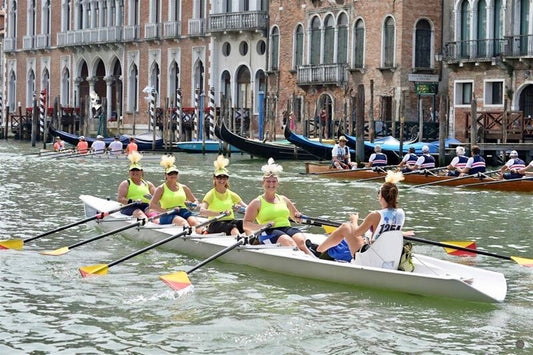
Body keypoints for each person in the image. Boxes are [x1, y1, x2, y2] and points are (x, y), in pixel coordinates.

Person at [313, 170, 405, 262]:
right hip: (389, 256)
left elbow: (356, 233)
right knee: (361, 238)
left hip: (371, 258)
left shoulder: (375, 215)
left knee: (346, 227)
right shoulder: (401, 213)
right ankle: (321, 249)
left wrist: (354, 220)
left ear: (381, 196)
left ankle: (319, 251)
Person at [243, 158, 312, 255]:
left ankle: (313, 260)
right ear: (263, 183)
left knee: (302, 242)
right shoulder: (256, 202)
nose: (271, 184)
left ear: (277, 183)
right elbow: (246, 224)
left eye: (274, 181)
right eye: (268, 181)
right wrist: (262, 226)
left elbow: (295, 218)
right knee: (289, 242)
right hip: (267, 231)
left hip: (286, 228)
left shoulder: (284, 199)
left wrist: (298, 216)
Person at [199, 155, 248, 236]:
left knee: (245, 224)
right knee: (232, 227)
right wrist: (220, 213)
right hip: (214, 223)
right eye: (219, 178)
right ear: (214, 178)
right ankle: (240, 241)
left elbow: (247, 208)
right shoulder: (210, 194)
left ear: (227, 179)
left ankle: (253, 242)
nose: (222, 180)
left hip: (230, 221)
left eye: (224, 178)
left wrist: (241, 209)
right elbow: (202, 211)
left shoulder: (232, 194)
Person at [149, 155, 201, 230]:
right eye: (170, 174)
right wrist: (167, 211)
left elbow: (195, 201)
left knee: (195, 223)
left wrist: (192, 205)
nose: (173, 175)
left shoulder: (184, 187)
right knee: (183, 223)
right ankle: (187, 235)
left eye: (175, 173)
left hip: (183, 211)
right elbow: (152, 205)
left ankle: (202, 233)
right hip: (168, 214)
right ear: (165, 175)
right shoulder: (161, 188)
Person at [117, 151, 156, 220]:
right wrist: (133, 201)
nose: (135, 172)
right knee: (140, 213)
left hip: (145, 206)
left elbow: (157, 198)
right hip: (129, 207)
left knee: (154, 216)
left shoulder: (148, 184)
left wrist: (152, 198)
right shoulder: (125, 183)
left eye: (137, 171)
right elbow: (120, 199)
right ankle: (144, 222)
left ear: (142, 172)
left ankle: (156, 224)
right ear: (129, 172)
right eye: (133, 171)